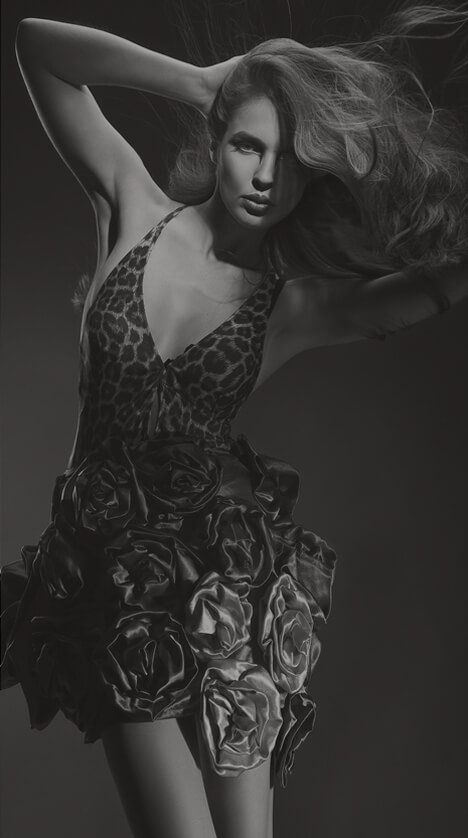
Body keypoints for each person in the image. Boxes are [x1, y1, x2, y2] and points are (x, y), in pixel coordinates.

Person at [1, 7, 467, 838]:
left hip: (225, 588)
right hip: (112, 591)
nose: (265, 177)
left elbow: (421, 293)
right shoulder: (131, 206)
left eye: (291, 162)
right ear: (217, 139)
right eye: (250, 145)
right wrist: (203, 82)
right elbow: (37, 46)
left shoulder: (290, 306)